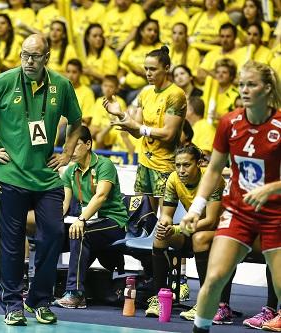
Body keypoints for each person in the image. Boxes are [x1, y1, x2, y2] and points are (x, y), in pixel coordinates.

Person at [0, 34, 82, 326]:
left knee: (54, 234)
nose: (29, 61)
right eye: (25, 55)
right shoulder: (2, 82)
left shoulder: (61, 86)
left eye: (35, 56)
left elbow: (77, 121)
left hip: (46, 179)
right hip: (10, 177)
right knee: (11, 244)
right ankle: (12, 304)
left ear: (47, 57)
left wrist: (67, 153)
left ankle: (39, 300)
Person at [180, 61, 281, 333]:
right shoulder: (229, 123)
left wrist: (271, 188)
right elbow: (213, 170)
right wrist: (196, 208)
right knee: (213, 278)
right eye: (242, 85)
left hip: (276, 215)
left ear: (267, 88)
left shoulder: (280, 126)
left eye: (252, 84)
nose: (245, 90)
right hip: (238, 212)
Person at [144, 145, 226, 320]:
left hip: (221, 232)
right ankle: (160, 299)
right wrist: (164, 225)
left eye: (186, 165)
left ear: (199, 163)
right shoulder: (173, 179)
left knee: (199, 238)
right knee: (160, 238)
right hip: (192, 230)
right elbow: (166, 214)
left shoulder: (212, 179)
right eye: (178, 165)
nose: (181, 170)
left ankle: (205, 303)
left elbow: (211, 221)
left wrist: (176, 228)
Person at [53, 126, 128, 309]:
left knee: (81, 233)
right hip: (89, 221)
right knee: (50, 233)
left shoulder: (104, 165)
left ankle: (75, 294)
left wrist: (81, 219)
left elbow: (100, 196)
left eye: (75, 145)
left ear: (88, 144)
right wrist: (52, 222)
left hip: (113, 222)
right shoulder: (71, 172)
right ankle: (44, 287)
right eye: (67, 147)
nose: (70, 151)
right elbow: (65, 203)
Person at [105, 46, 187, 212]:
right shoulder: (145, 92)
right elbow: (136, 132)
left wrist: (138, 127)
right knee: (144, 217)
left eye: (153, 69)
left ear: (166, 68)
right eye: (146, 69)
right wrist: (122, 115)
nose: (148, 73)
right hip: (144, 162)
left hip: (165, 165)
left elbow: (169, 134)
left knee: (164, 221)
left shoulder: (175, 94)